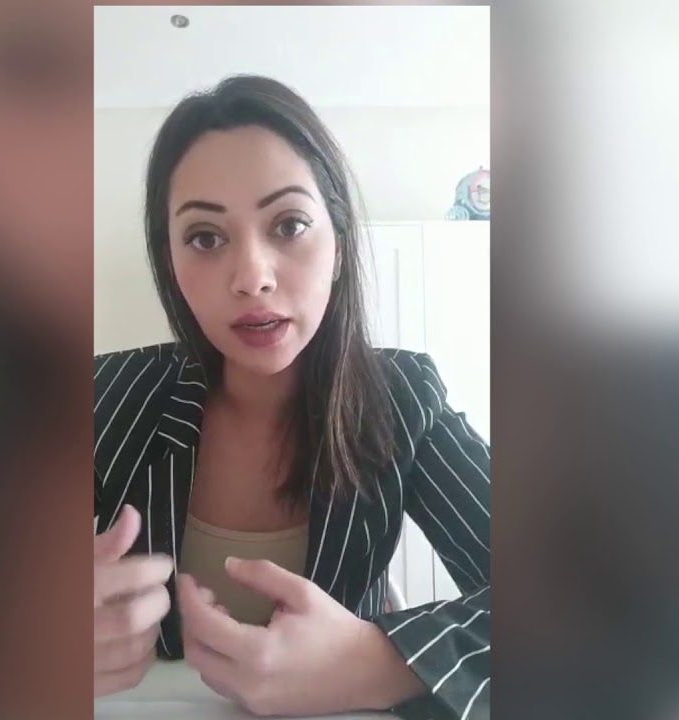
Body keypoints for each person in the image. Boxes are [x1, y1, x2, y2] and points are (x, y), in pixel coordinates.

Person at [93, 75, 491, 720]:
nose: (252, 277)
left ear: (338, 248)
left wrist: (374, 661)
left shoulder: (404, 399)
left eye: (290, 224)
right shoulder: (107, 395)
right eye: (205, 238)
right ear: (170, 263)